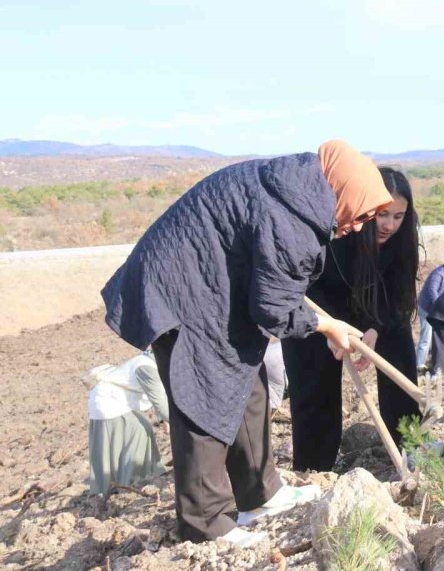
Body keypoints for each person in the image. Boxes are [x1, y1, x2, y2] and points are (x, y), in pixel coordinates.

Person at [101, 140, 392, 547]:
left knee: (247, 385)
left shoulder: (300, 191)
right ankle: (206, 525)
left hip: (212, 288)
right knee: (203, 398)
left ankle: (260, 494)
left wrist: (326, 322)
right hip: (181, 293)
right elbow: (274, 309)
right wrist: (327, 327)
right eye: (361, 213)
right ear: (343, 189)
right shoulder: (293, 218)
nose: (359, 225)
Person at [282, 167, 421, 471]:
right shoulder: (341, 230)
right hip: (319, 308)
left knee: (397, 340)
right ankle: (313, 467)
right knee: (314, 376)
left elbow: (398, 297)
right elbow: (311, 288)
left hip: (369, 310)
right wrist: (331, 329)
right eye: (383, 215)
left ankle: (411, 443)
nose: (390, 225)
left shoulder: (402, 241)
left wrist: (375, 328)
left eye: (399, 217)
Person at [87, 352, 168, 496]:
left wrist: (163, 420)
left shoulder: (146, 362)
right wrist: (182, 425)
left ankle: (125, 479)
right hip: (109, 402)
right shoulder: (146, 367)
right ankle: (131, 481)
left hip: (106, 401)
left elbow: (159, 396)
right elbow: (159, 402)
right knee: (139, 431)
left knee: (139, 429)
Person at [416, 251, 444, 371]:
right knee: (426, 337)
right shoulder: (439, 274)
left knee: (436, 335)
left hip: (436, 310)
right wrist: (441, 307)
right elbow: (432, 292)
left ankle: (435, 360)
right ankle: (418, 365)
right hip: (427, 309)